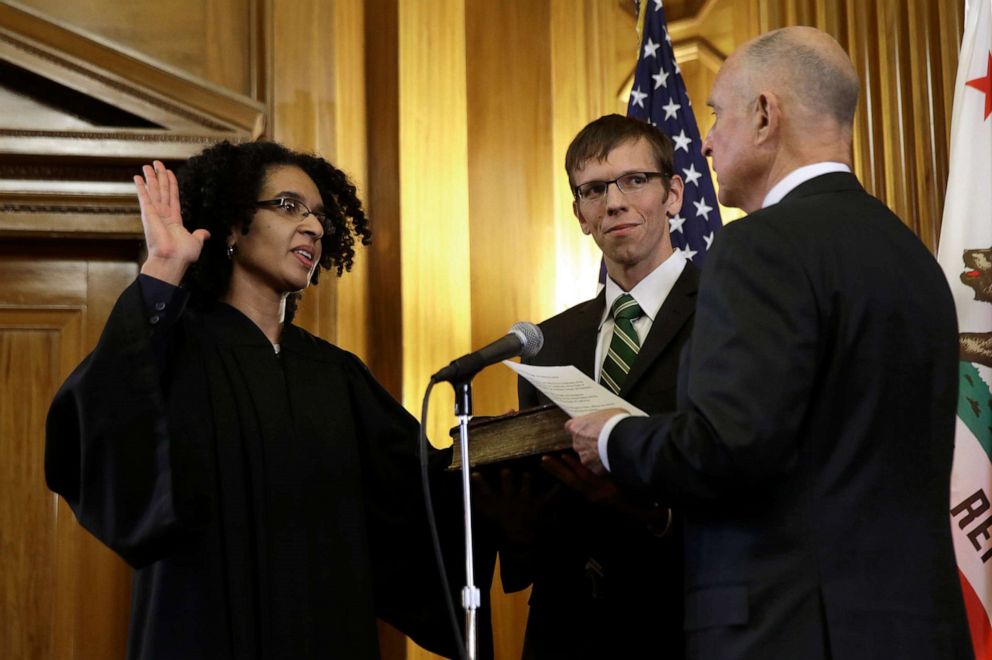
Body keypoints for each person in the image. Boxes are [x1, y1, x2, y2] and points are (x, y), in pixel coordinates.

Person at [566, 26, 973, 659]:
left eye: (718, 115)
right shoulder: (914, 258)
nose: (705, 142)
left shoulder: (760, 245)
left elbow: (729, 445)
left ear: (764, 116)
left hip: (792, 630)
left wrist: (614, 438)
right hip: (916, 631)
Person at [45, 141, 461, 659]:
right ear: (235, 226)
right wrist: (165, 268)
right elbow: (93, 430)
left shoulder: (337, 376)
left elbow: (427, 499)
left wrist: (498, 464)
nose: (312, 227)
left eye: (320, 218)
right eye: (289, 207)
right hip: (201, 635)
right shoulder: (170, 355)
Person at [481, 114, 696, 659]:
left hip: (682, 620)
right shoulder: (545, 341)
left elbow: (750, 468)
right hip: (566, 629)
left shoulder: (728, 311)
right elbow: (536, 534)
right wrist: (518, 525)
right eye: (595, 189)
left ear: (673, 194)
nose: (615, 202)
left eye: (634, 180)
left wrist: (649, 511)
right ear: (580, 214)